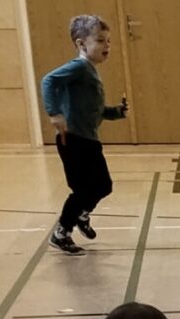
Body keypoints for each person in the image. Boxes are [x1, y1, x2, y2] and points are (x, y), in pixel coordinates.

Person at [41, 14, 128, 253]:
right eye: (100, 40)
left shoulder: (90, 71)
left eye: (108, 41)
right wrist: (54, 113)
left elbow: (95, 110)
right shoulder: (78, 67)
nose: (106, 45)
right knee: (82, 189)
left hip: (89, 140)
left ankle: (81, 214)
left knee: (103, 186)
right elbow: (48, 81)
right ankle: (62, 232)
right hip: (73, 140)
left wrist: (116, 112)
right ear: (81, 44)